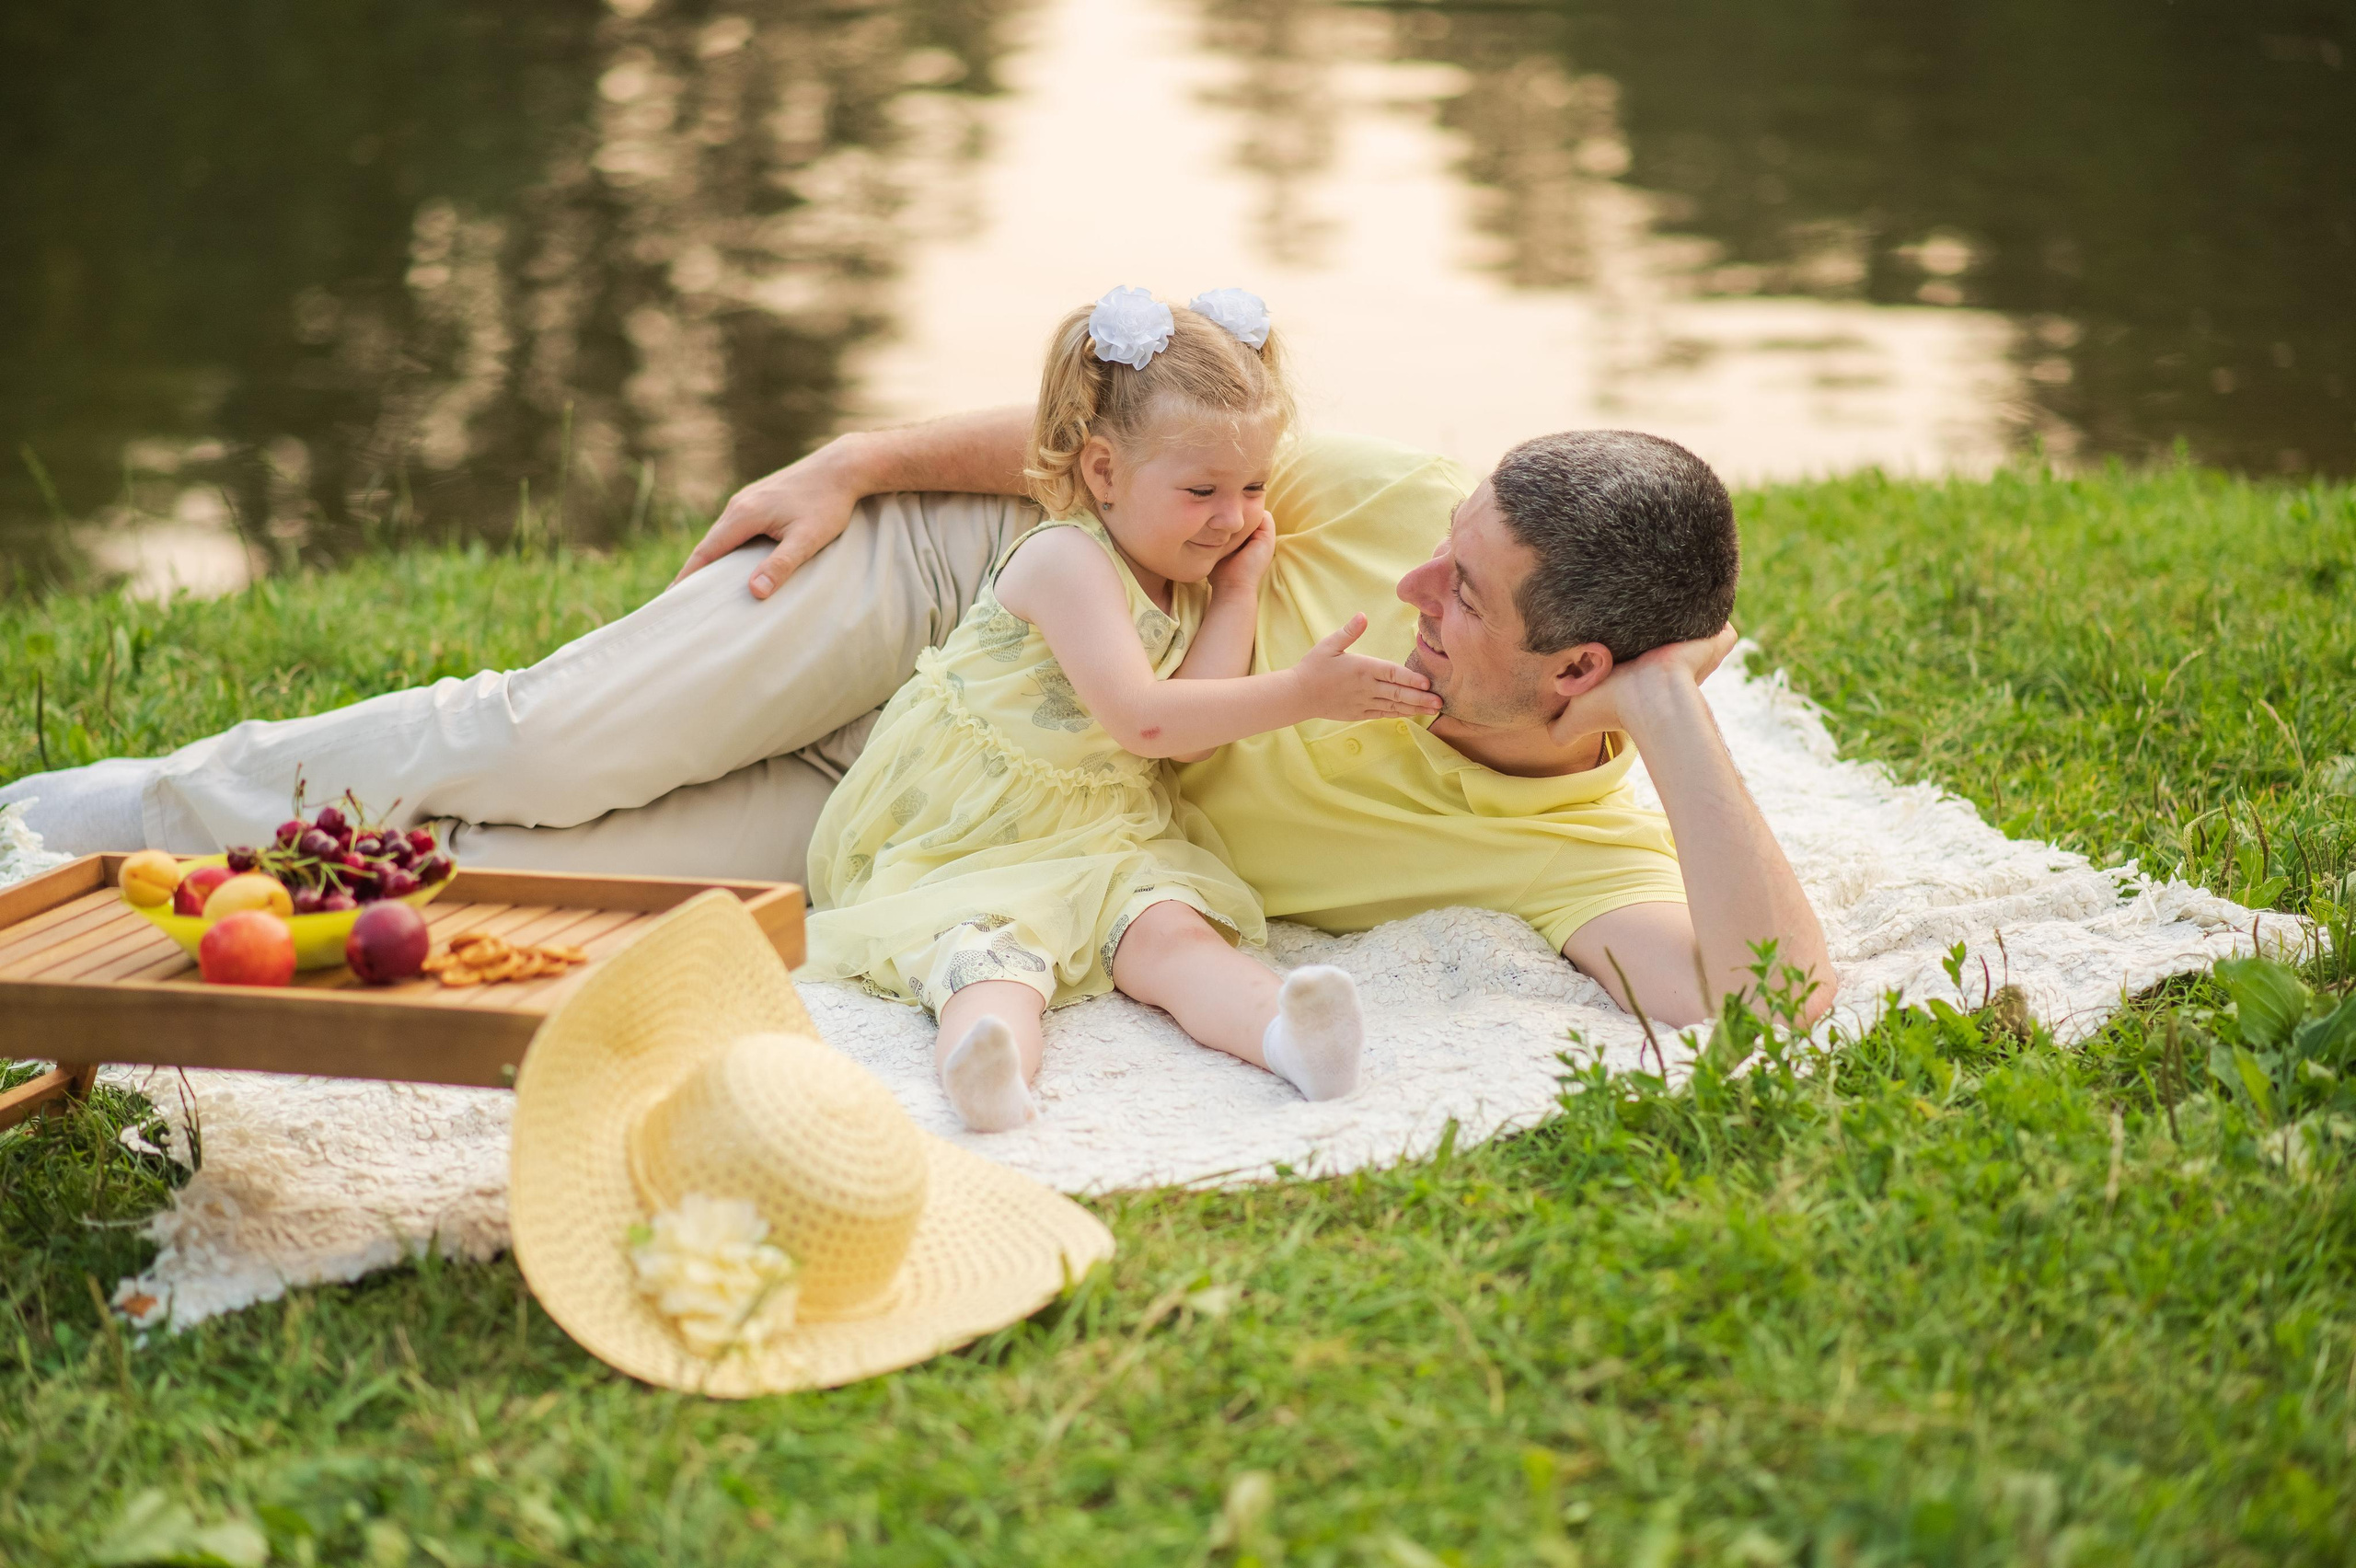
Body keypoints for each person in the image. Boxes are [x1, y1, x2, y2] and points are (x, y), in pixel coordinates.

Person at [4, 323, 1833, 1033]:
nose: (1414, 577)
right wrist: (857, 465)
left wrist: (1673, 718)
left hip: (947, 822)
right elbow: (1127, 454)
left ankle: (110, 901)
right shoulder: (1361, 502)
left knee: (530, 871)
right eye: (1437, 539)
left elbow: (1772, 1011)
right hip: (958, 602)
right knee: (537, 745)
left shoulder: (1583, 858)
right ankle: (44, 827)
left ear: (1581, 669)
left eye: (1467, 591)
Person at [804, 287, 1438, 1130]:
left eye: (1253, 486)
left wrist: (1239, 592)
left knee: (1173, 935)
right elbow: (1142, 721)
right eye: (1203, 489)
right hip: (969, 832)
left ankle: (1291, 1035)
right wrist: (1304, 694)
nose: (1234, 516)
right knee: (992, 957)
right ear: (1103, 471)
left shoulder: (1186, 575)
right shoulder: (1068, 561)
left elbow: (1187, 724)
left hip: (1100, 824)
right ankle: (987, 1071)